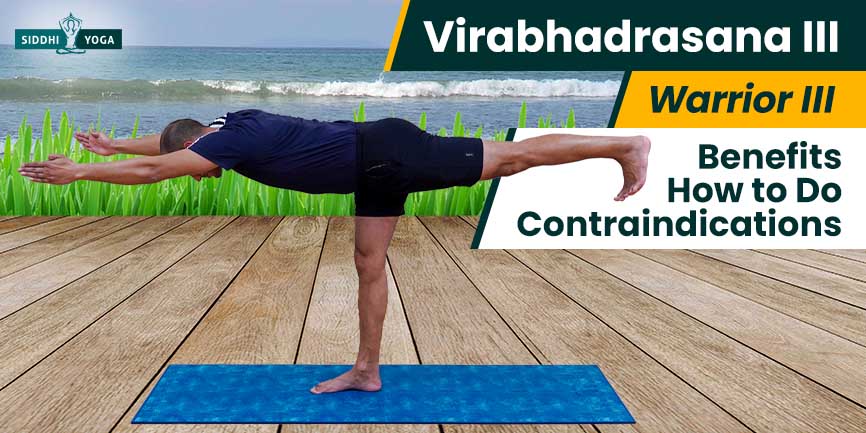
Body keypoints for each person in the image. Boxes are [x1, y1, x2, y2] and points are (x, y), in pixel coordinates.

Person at [18, 109, 650, 394]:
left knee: (510, 158)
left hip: (386, 150)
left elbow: (164, 166)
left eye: (203, 166)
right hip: (368, 171)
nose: (203, 173)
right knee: (367, 263)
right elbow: (167, 148)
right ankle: (368, 370)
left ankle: (622, 146)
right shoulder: (224, 133)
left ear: (209, 141)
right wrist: (112, 149)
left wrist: (79, 174)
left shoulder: (235, 135)